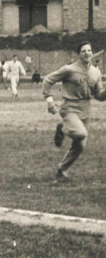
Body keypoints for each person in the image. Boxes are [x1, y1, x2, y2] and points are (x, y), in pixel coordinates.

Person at [43, 40, 106, 180]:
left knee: (80, 146)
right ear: (79, 54)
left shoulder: (96, 72)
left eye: (89, 50)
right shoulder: (69, 69)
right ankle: (62, 127)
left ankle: (62, 171)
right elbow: (48, 80)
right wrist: (49, 100)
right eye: (84, 51)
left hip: (86, 110)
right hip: (69, 108)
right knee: (81, 134)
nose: (87, 53)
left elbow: (99, 95)